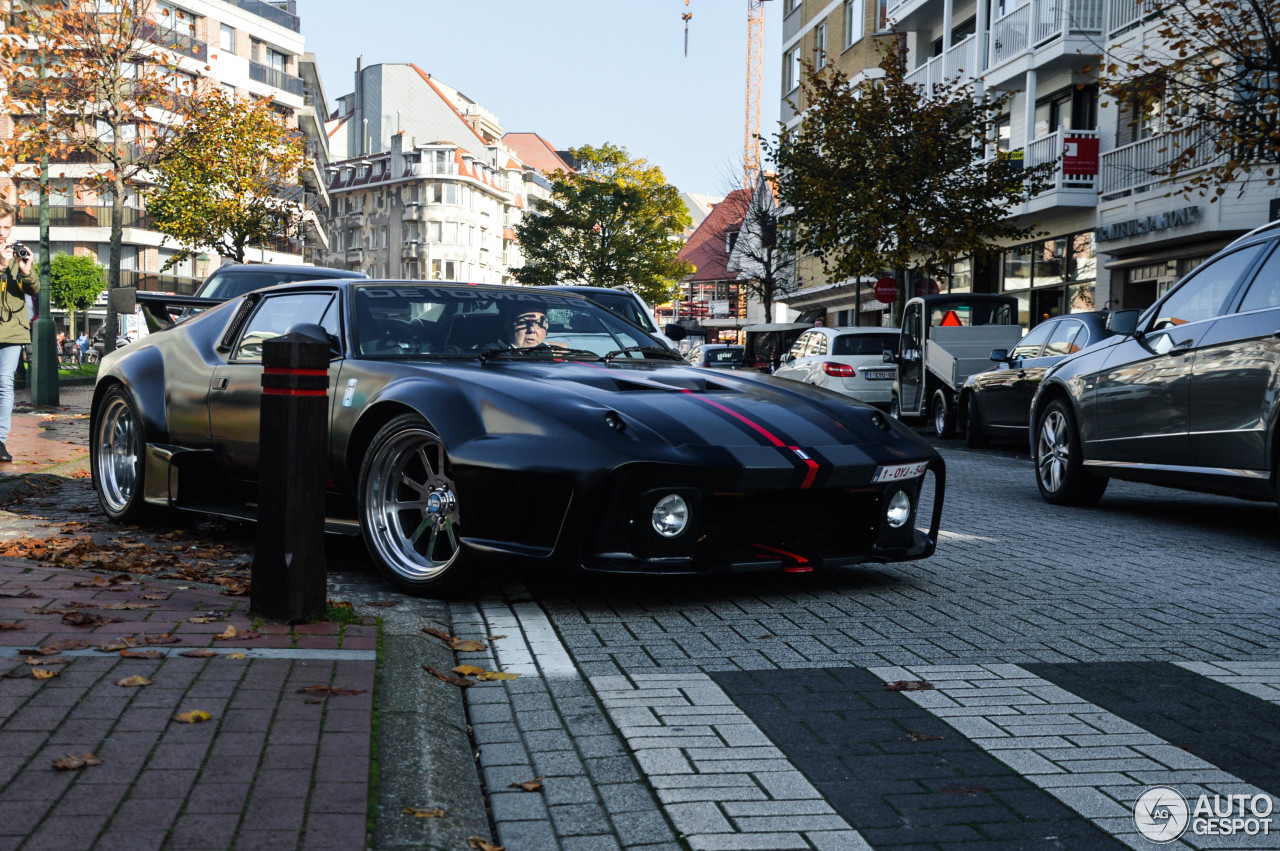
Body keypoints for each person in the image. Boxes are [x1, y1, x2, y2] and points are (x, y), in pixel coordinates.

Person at [0, 200, 39, 463]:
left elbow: (34, 289)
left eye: (7, 227)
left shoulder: (16, 255)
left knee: (4, 383)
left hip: (12, 330)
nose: (3, 232)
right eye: (0, 226)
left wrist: (25, 270)